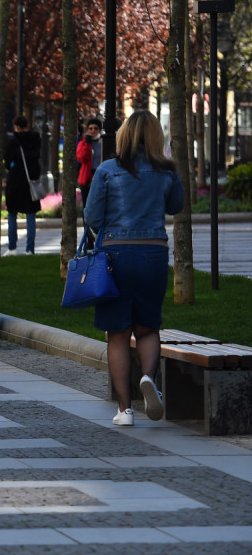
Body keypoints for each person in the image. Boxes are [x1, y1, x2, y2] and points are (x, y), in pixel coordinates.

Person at [84, 110, 183, 427]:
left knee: (117, 334)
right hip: (152, 254)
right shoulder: (166, 170)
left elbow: (92, 216)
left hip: (115, 256)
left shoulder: (108, 170)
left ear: (124, 135)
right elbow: (176, 205)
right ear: (157, 137)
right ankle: (148, 379)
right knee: (148, 327)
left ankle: (125, 410)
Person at [3, 115, 42, 255]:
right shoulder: (36, 140)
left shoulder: (14, 142)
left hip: (15, 181)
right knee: (31, 215)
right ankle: (30, 249)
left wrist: (13, 165)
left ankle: (12, 248)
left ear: (17, 127)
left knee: (12, 214)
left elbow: (7, 161)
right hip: (31, 180)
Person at [77, 118, 103, 250]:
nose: (93, 131)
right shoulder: (83, 143)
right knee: (86, 210)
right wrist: (87, 144)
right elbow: (81, 158)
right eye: (90, 128)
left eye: (96, 128)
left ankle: (98, 237)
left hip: (99, 179)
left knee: (99, 208)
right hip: (86, 179)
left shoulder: (103, 143)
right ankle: (89, 240)